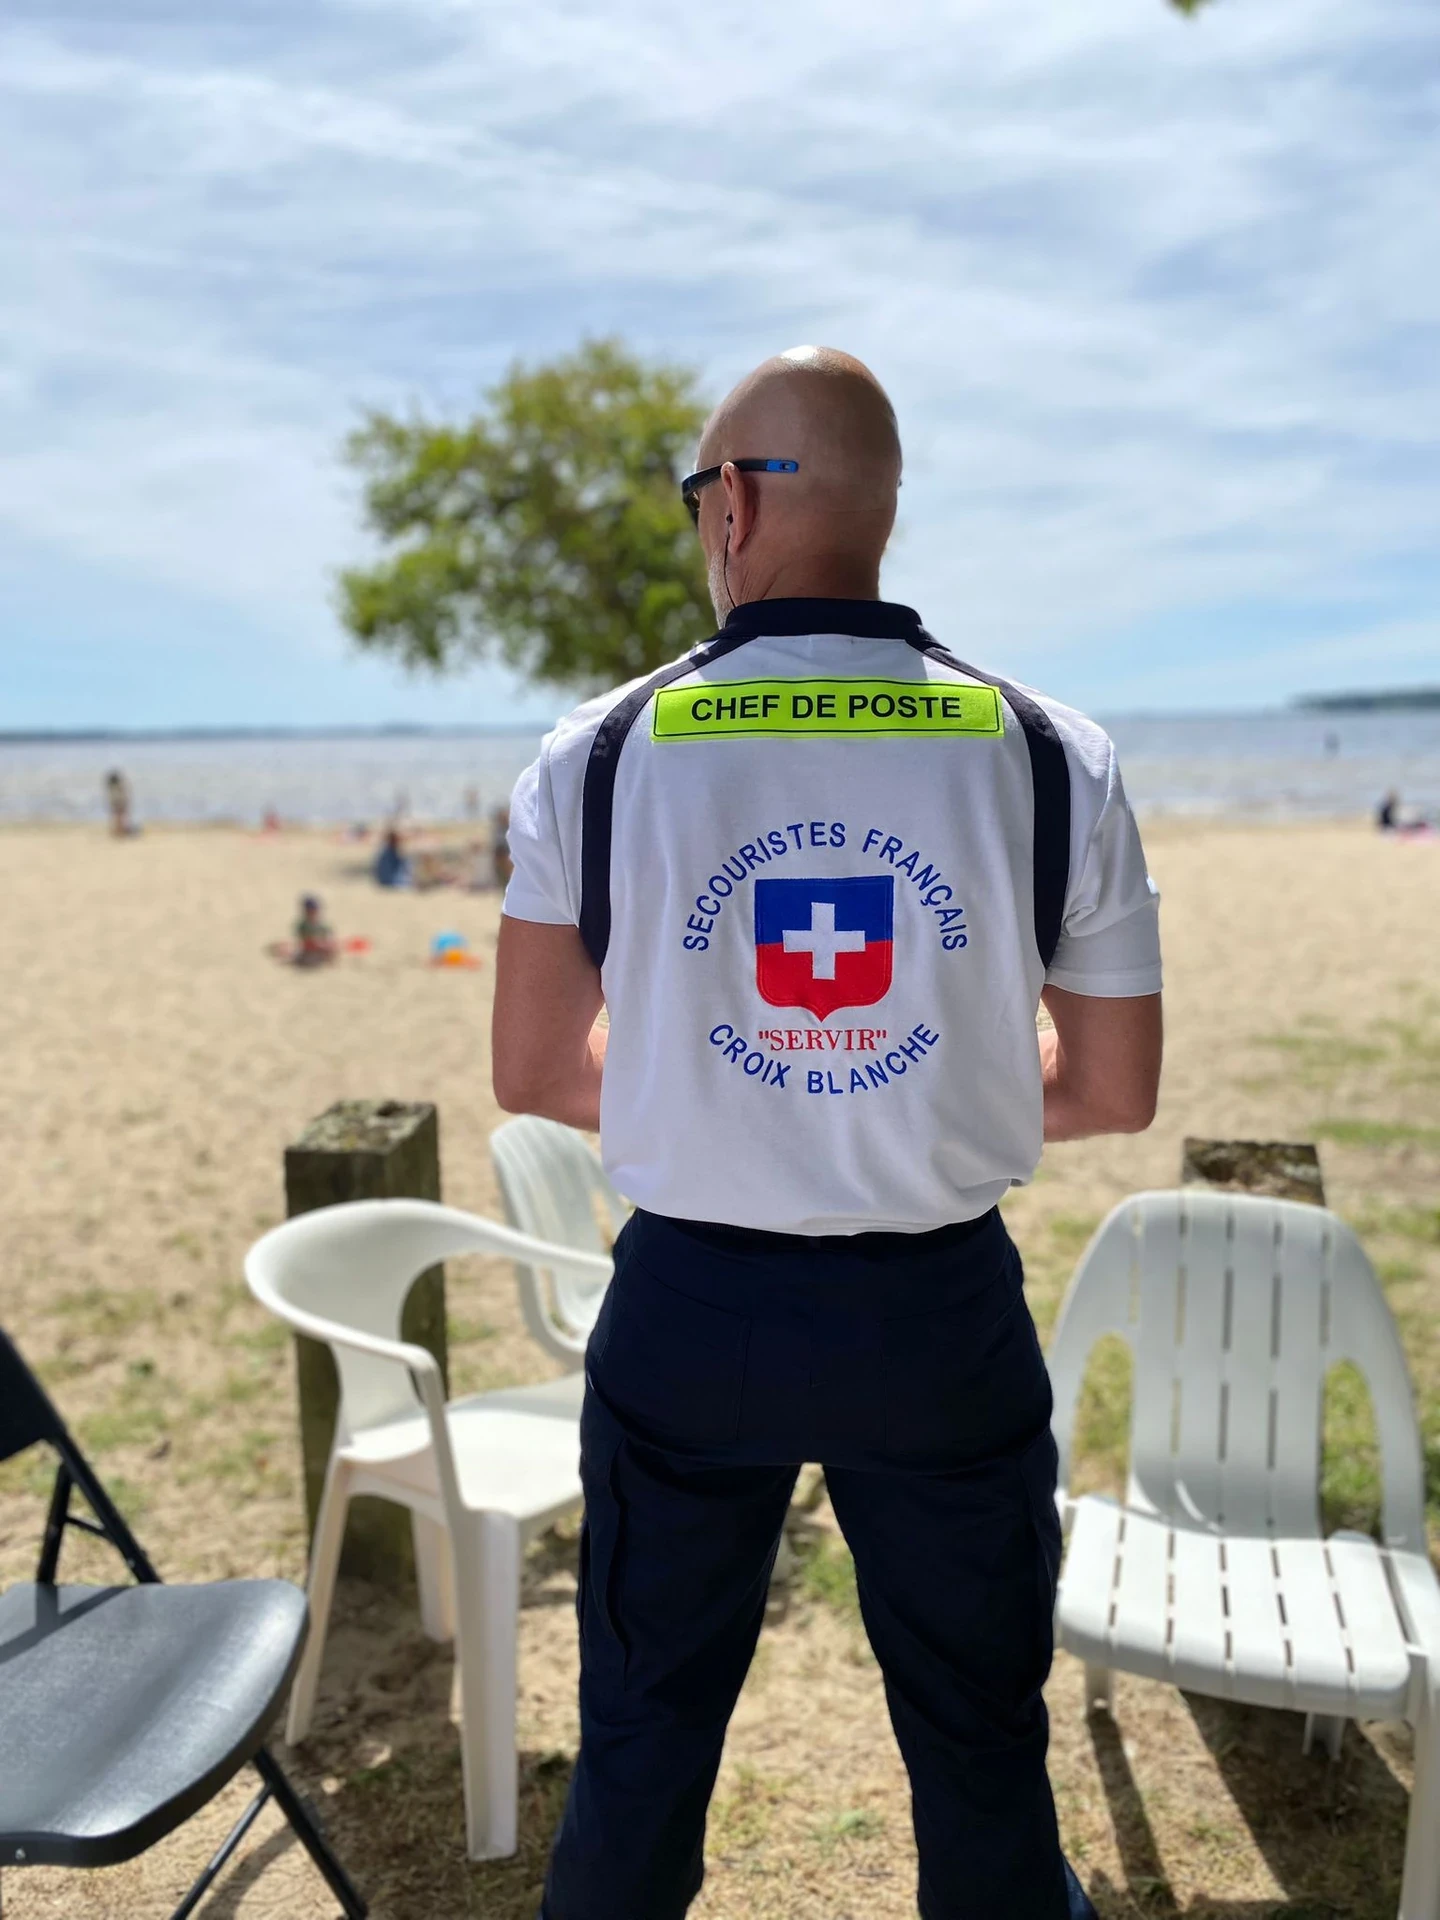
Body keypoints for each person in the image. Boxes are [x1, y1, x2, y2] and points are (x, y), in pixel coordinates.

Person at [492, 346, 1163, 1920]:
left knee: (645, 1742)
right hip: (936, 1314)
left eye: (693, 490)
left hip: (691, 1314)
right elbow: (1116, 1090)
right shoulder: (1051, 748)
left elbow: (533, 1068)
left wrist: (719, 1096)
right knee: (982, 1746)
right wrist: (921, 1095)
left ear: (732, 504)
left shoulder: (596, 753)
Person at [104, 768, 132, 838]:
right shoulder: (118, 787)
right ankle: (120, 831)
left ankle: (119, 831)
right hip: (119, 802)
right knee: (119, 817)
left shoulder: (113, 787)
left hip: (117, 802)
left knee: (118, 817)